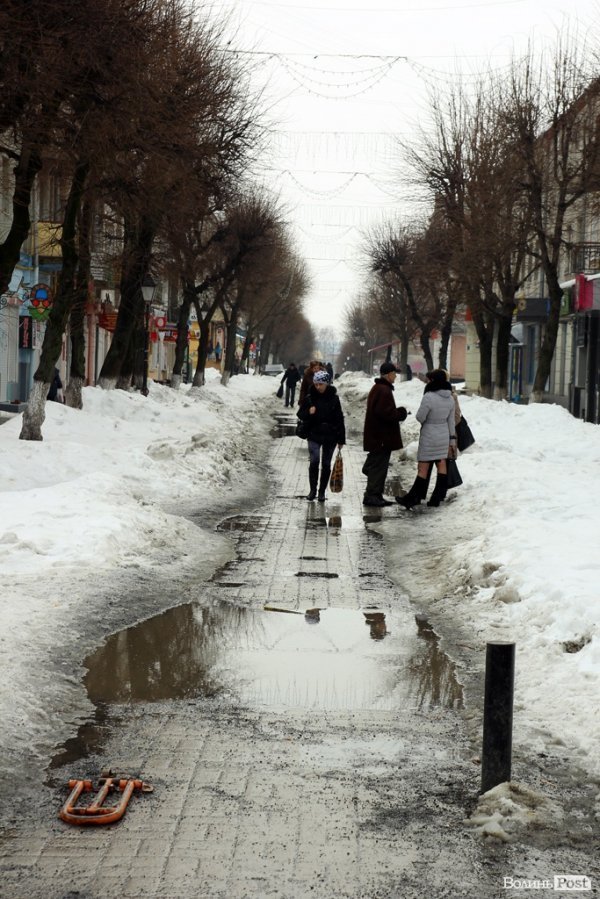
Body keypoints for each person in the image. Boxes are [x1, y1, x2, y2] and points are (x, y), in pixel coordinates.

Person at [396, 368, 457, 509]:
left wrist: (428, 421)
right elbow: (451, 421)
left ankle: (412, 498)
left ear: (434, 381)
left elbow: (420, 417)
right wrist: (452, 440)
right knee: (441, 465)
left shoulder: (429, 396)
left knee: (423, 468)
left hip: (429, 435)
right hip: (443, 436)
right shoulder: (450, 398)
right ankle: (437, 497)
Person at [362, 361, 408, 507]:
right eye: (394, 373)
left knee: (378, 464)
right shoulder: (383, 390)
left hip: (378, 436)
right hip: (381, 437)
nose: (395, 376)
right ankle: (372, 495)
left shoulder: (380, 388)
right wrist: (400, 413)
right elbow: (385, 413)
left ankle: (375, 494)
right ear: (388, 374)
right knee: (378, 466)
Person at [297, 369, 346, 502]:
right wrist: (309, 411)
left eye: (321, 384)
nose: (318, 387)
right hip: (314, 434)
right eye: (316, 384)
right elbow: (300, 414)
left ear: (327, 384)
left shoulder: (334, 399)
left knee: (326, 464)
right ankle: (312, 490)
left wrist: (341, 439)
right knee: (314, 461)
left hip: (330, 436)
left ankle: (322, 492)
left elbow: (339, 418)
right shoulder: (310, 397)